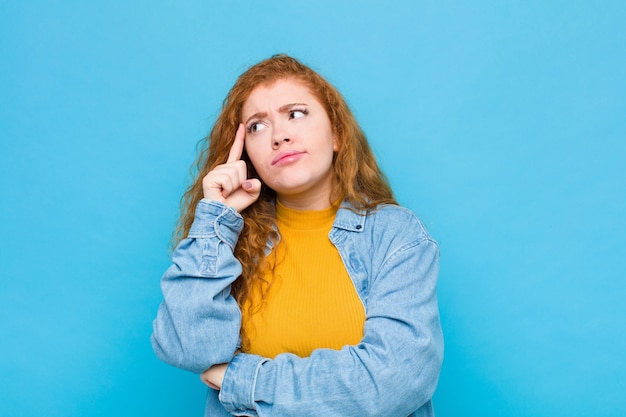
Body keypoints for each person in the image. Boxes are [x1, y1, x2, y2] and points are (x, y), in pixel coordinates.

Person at [151, 54, 443, 417]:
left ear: (337, 134)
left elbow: (394, 380)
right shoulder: (235, 239)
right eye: (257, 126)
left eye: (296, 113)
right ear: (247, 155)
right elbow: (191, 349)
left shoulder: (395, 235)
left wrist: (241, 381)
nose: (280, 135)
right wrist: (216, 220)